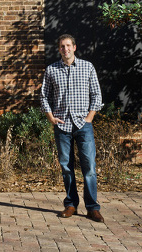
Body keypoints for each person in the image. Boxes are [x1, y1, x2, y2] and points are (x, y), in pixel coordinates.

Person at [41, 34, 104, 223]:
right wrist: (50, 117)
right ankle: (71, 205)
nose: (65, 49)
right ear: (59, 49)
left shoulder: (87, 67)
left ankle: (92, 208)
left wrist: (88, 119)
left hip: (83, 125)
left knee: (90, 168)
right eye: (62, 46)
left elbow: (96, 95)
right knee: (66, 167)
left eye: (68, 45)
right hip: (62, 126)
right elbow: (44, 96)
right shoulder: (51, 70)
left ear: (74, 47)